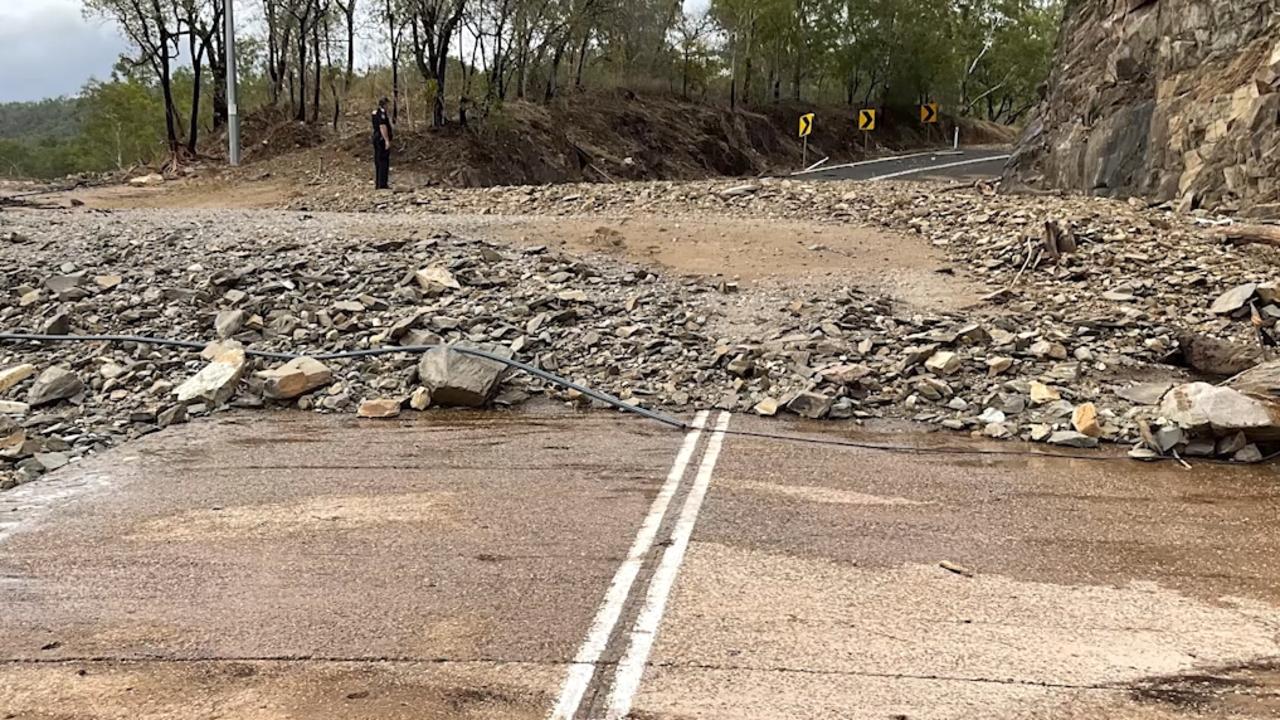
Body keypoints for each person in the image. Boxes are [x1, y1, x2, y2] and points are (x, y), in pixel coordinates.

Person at [371, 97, 393, 189]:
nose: (388, 106)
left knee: (378, 160)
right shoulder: (382, 114)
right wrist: (387, 140)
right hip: (381, 138)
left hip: (375, 137)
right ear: (384, 104)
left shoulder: (374, 112)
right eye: (387, 104)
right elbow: (382, 126)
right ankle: (382, 184)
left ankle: (378, 183)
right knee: (383, 161)